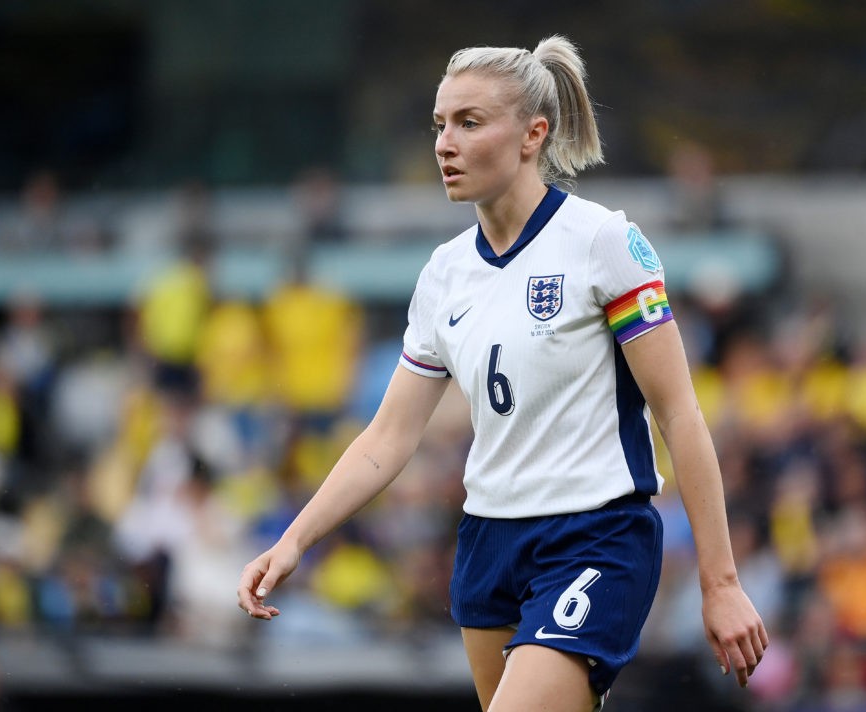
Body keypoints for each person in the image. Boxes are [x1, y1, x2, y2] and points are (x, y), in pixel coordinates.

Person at [238, 35, 767, 711]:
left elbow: (680, 414)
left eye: (468, 122)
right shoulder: (444, 274)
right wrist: (293, 541)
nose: (444, 144)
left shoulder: (604, 244)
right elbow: (387, 438)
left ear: (532, 135)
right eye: (439, 125)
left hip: (595, 537)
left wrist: (719, 582)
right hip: (488, 541)